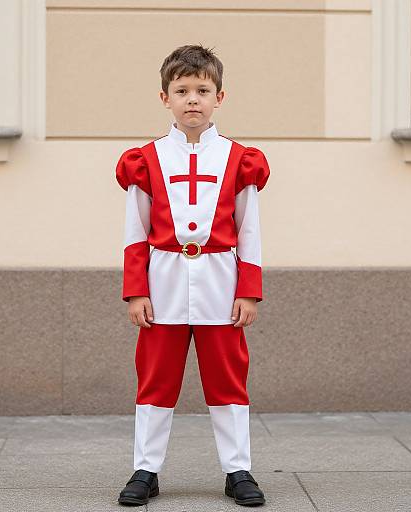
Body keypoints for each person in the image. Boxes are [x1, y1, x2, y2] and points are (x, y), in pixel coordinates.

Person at [115, 44, 270, 507]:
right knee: (156, 379)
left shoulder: (239, 158)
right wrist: (135, 292)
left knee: (227, 379)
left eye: (202, 90)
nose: (192, 100)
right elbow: (134, 232)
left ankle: (237, 468)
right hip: (162, 282)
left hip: (222, 282)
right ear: (165, 98)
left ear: (220, 96)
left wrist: (249, 291)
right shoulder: (147, 158)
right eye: (182, 90)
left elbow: (250, 231)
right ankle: (145, 468)